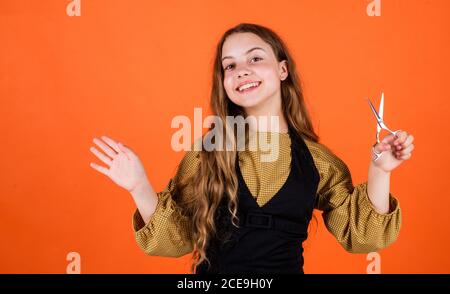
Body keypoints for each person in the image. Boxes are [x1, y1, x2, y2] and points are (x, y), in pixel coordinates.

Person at [89, 23, 414, 274]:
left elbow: (363, 238)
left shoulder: (317, 161)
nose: (241, 70)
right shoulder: (207, 154)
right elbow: (174, 240)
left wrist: (380, 170)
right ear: (224, 82)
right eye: (229, 66)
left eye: (255, 58)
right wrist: (138, 186)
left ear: (282, 70)